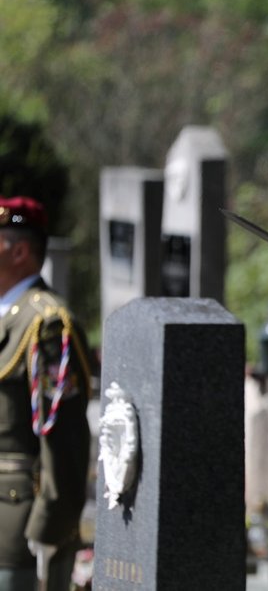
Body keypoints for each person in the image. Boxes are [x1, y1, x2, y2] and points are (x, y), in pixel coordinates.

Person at [0, 196, 94, 591]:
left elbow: (64, 434)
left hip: (16, 522)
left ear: (19, 251)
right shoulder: (10, 315)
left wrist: (50, 525)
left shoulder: (47, 323)